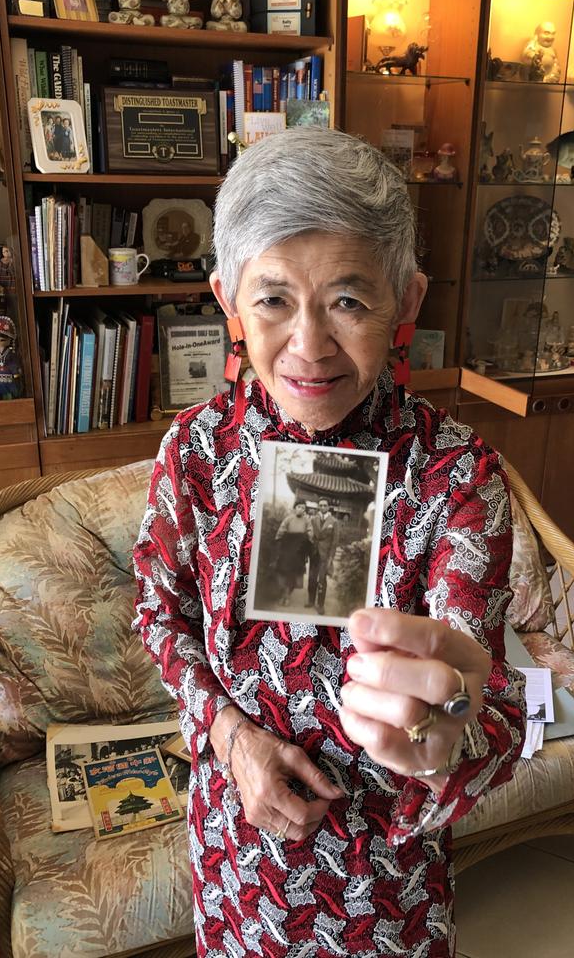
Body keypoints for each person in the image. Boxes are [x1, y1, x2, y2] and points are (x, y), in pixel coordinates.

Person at [132, 128, 526, 958]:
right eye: (273, 299)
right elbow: (157, 617)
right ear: (227, 302)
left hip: (384, 888)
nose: (309, 346)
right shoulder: (196, 451)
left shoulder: (456, 478)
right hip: (236, 853)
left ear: (407, 300)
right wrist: (230, 737)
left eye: (349, 300)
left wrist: (450, 730)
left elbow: (485, 710)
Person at [274, 498, 313, 605]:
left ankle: (287, 596)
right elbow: (280, 532)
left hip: (299, 552)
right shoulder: (288, 519)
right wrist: (280, 543)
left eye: (303, 508)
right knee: (284, 573)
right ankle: (283, 595)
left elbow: (310, 534)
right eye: (299, 507)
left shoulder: (307, 521)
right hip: (287, 550)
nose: (301, 509)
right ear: (295, 508)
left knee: (293, 575)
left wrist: (305, 540)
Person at [306, 496, 340, 614]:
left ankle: (320, 605)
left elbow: (335, 542)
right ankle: (310, 600)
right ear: (318, 506)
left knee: (322, 579)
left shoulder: (334, 522)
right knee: (311, 578)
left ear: (328, 507)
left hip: (325, 555)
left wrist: (331, 557)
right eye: (320, 505)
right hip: (314, 553)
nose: (323, 507)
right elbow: (310, 535)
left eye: (325, 505)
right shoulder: (313, 519)